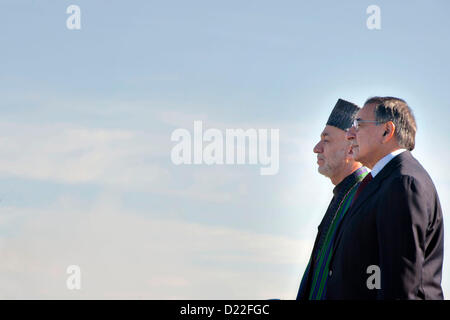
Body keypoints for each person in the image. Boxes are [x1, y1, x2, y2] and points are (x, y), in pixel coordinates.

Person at [326, 96, 444, 299]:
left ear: (387, 131)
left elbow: (401, 285)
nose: (350, 134)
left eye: (358, 124)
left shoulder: (403, 183)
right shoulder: (385, 182)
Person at [296, 99, 369, 300]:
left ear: (350, 149)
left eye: (326, 140)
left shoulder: (366, 198)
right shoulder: (345, 194)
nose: (316, 148)